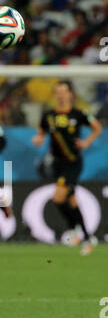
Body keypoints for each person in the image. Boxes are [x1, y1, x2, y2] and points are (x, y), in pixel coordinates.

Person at [32, 80, 102, 255]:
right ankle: (87, 238)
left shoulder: (79, 114)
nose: (61, 95)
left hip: (72, 163)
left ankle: (73, 228)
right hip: (57, 164)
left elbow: (97, 127)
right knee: (71, 200)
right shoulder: (49, 116)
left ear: (70, 94)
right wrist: (39, 138)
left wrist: (86, 142)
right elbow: (41, 131)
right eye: (58, 92)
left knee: (58, 198)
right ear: (55, 95)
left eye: (64, 91)